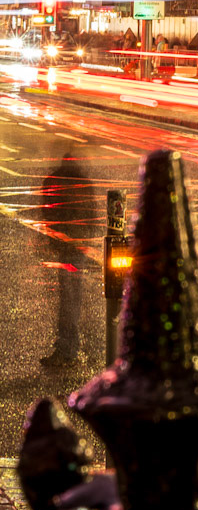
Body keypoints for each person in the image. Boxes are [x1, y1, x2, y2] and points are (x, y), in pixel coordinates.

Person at [39, 148, 98, 369]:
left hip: (69, 249)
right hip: (75, 247)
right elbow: (90, 214)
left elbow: (51, 213)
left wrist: (56, 240)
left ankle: (68, 349)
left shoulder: (56, 181)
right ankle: (70, 347)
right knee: (71, 299)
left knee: (69, 301)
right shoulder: (81, 183)